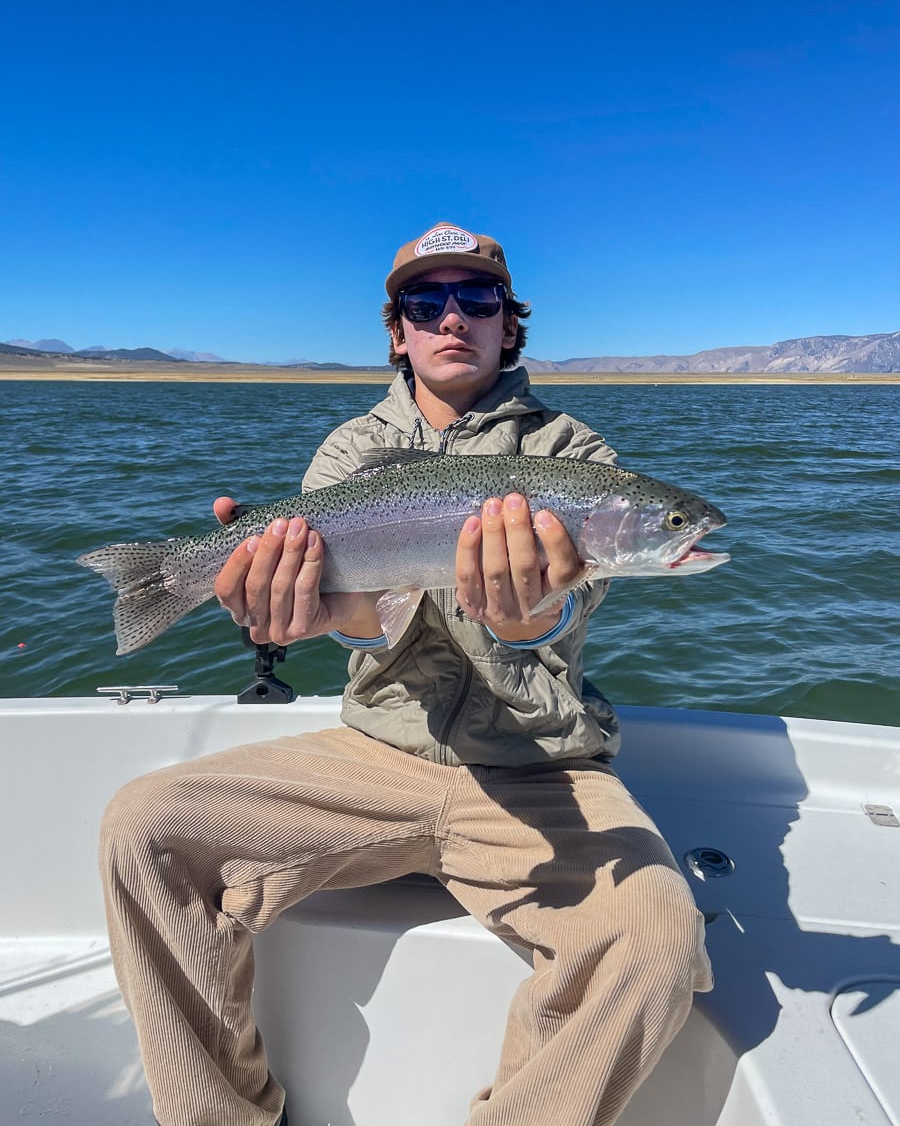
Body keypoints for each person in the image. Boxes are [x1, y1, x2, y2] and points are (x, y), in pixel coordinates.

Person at [99, 222, 712, 1126]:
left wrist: (526, 614)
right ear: (399, 331)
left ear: (512, 325)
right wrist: (305, 609)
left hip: (541, 768)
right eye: (428, 303)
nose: (453, 318)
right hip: (375, 755)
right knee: (141, 827)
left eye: (479, 300)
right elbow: (360, 623)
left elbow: (568, 612)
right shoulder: (350, 451)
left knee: (659, 938)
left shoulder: (578, 458)